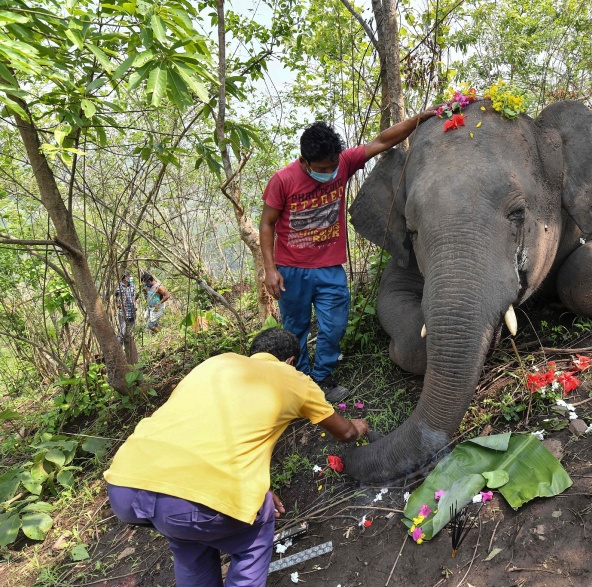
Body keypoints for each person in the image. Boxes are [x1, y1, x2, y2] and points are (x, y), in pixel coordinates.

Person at [104, 327, 370, 587]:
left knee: (189, 542)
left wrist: (257, 488)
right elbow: (345, 433)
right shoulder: (294, 379)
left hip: (126, 484)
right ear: (290, 361)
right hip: (192, 499)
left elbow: (205, 434)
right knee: (254, 536)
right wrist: (358, 427)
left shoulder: (215, 364)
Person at [261, 111, 436, 401]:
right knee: (295, 329)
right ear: (304, 161)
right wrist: (270, 269)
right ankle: (301, 383)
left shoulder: (342, 163)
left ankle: (322, 377)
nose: (330, 172)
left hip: (329, 267)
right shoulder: (282, 180)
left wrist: (421, 117)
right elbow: (267, 223)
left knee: (335, 325)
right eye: (322, 168)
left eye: (333, 166)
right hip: (291, 269)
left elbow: (382, 141)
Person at [115, 272, 138, 362]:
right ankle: (118, 351)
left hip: (132, 311)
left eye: (130, 276)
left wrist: (135, 305)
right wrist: (119, 305)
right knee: (122, 331)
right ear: (124, 277)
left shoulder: (132, 286)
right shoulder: (119, 286)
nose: (130, 277)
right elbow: (117, 299)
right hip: (123, 312)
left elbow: (133, 297)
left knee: (130, 332)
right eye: (128, 276)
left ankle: (128, 352)